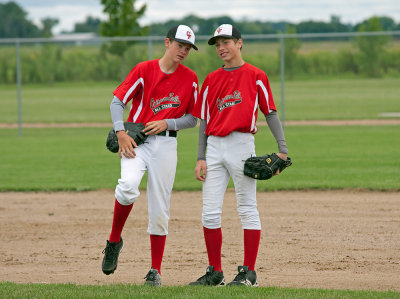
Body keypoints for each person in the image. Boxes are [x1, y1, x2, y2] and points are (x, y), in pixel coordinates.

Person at [189, 24, 289, 287]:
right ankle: (215, 272)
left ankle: (249, 274)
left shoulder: (256, 75)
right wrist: (201, 156)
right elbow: (204, 120)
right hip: (213, 149)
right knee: (209, 213)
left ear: (239, 43)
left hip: (242, 144)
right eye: (217, 44)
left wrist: (283, 148)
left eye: (226, 42)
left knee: (247, 208)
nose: (221, 48)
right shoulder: (211, 79)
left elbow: (270, 113)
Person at [101, 24, 199, 287]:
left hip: (167, 146)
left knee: (160, 208)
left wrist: (168, 123)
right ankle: (113, 241)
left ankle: (155, 271)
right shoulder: (144, 69)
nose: (183, 51)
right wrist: (121, 132)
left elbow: (192, 119)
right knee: (127, 188)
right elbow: (117, 102)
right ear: (167, 43)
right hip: (137, 141)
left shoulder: (190, 78)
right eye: (180, 45)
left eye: (188, 48)